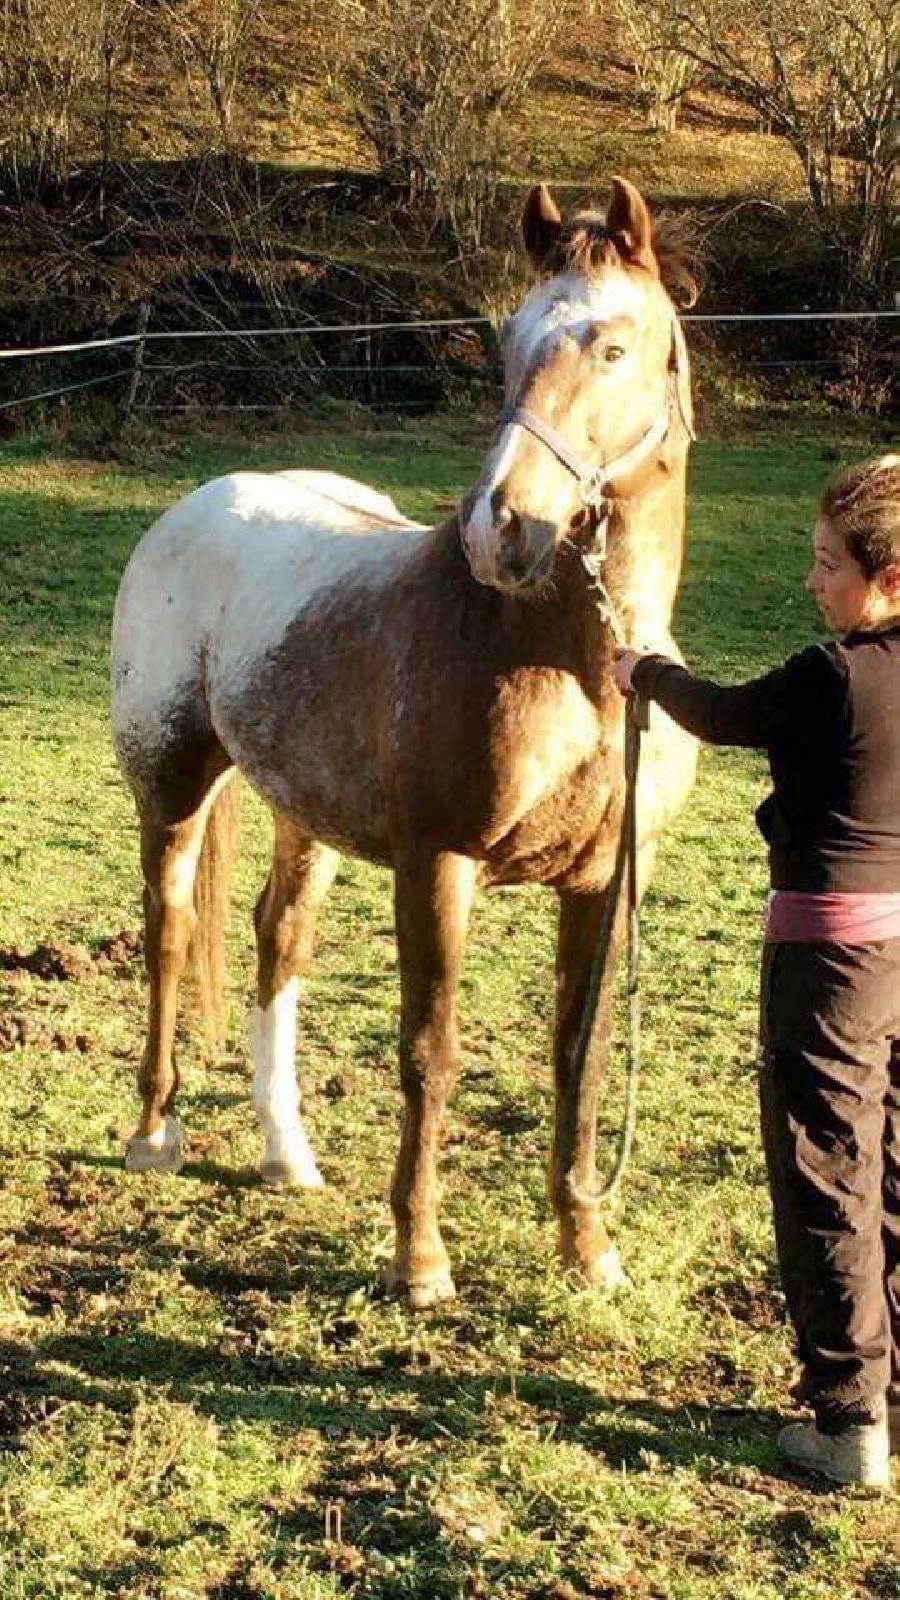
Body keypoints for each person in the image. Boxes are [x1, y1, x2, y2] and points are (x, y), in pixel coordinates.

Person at [613, 455, 900, 1488]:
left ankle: (846, 1414)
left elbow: (725, 711)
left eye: (830, 565)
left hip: (829, 959)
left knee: (824, 1164)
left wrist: (642, 671)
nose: (814, 583)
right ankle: (888, 1385)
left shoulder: (833, 676)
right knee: (893, 1164)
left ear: (890, 579)